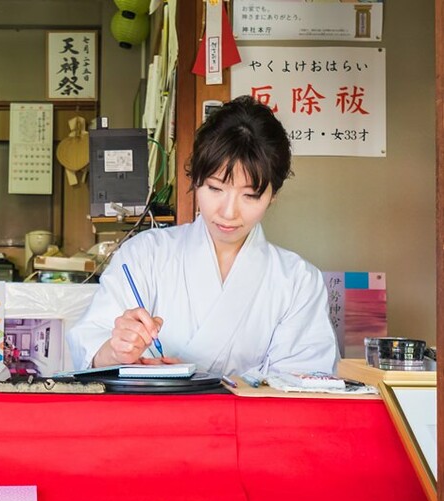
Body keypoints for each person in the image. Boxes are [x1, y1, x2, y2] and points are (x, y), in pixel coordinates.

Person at [67, 95, 339, 378]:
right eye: (215, 188)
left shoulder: (297, 281)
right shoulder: (143, 255)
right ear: (195, 179)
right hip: (151, 409)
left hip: (246, 411)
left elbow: (302, 384)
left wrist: (202, 382)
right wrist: (116, 352)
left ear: (273, 196)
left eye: (250, 195)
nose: (229, 212)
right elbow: (90, 349)